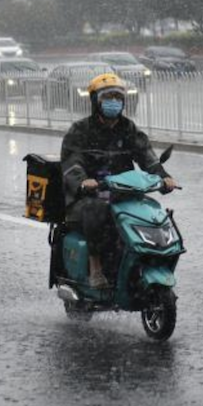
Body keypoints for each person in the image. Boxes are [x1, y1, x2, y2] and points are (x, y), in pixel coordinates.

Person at [61, 72, 177, 289]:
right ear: (95, 100)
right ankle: (96, 268)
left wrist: (164, 177)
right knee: (97, 210)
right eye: (108, 97)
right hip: (88, 196)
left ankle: (144, 261)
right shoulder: (80, 130)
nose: (113, 101)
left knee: (152, 211)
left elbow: (147, 157)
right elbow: (71, 162)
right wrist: (84, 181)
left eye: (118, 97)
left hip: (122, 194)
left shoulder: (128, 128)